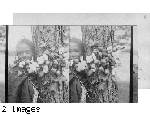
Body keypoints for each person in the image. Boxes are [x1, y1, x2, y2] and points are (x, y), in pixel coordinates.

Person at [8, 38, 40, 103]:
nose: (24, 55)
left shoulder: (38, 69)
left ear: (32, 53)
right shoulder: (12, 71)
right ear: (17, 55)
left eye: (27, 52)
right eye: (20, 53)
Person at [69, 37, 87, 103]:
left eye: (76, 51)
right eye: (69, 51)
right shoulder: (65, 70)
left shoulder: (85, 68)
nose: (72, 54)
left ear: (82, 52)